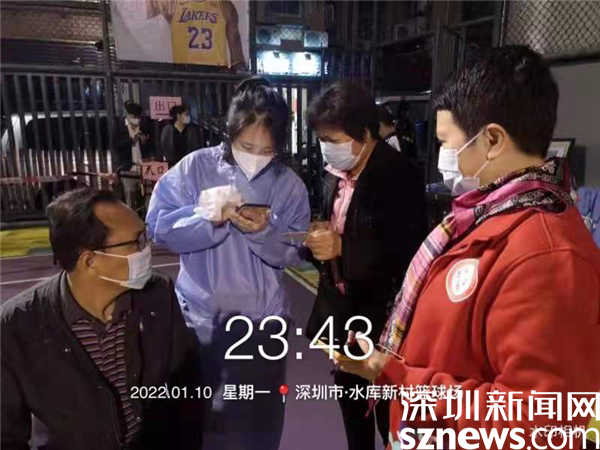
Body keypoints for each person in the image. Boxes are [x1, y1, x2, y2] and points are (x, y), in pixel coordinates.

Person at [334, 46, 600, 449]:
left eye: (446, 142)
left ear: (492, 139)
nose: (443, 157)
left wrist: (402, 376)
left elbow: (539, 423)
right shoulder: (483, 219)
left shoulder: (546, 256)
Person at [146, 77, 310, 450]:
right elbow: (159, 227)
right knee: (201, 421)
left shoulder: (289, 185)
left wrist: (264, 231)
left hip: (262, 325)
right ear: (229, 133)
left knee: (258, 423)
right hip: (201, 321)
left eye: (267, 150)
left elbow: (293, 252)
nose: (255, 156)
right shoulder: (194, 168)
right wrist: (205, 216)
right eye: (246, 146)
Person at [1, 188, 202, 450]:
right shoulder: (17, 326)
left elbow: (184, 391)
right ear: (90, 261)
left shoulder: (158, 295)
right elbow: (6, 438)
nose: (147, 248)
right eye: (136, 241)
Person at [303, 81, 427, 450]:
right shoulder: (332, 172)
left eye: (333, 139)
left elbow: (408, 251)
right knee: (350, 403)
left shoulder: (399, 174)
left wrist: (343, 247)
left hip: (382, 315)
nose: (327, 147)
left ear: (366, 133)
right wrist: (316, 243)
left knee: (389, 413)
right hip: (341, 311)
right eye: (321, 139)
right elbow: (331, 225)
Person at [147, 0, 245, 68]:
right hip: (184, 77)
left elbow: (237, 55)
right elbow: (144, 11)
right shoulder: (172, 3)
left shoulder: (225, 5)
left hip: (215, 79)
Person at [113, 101, 155, 209]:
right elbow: (117, 146)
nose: (137, 119)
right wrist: (132, 139)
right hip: (127, 169)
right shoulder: (120, 128)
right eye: (134, 117)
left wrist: (145, 142)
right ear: (127, 115)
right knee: (130, 201)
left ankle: (142, 218)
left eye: (138, 117)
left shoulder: (143, 128)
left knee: (144, 200)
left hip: (143, 169)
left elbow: (150, 147)